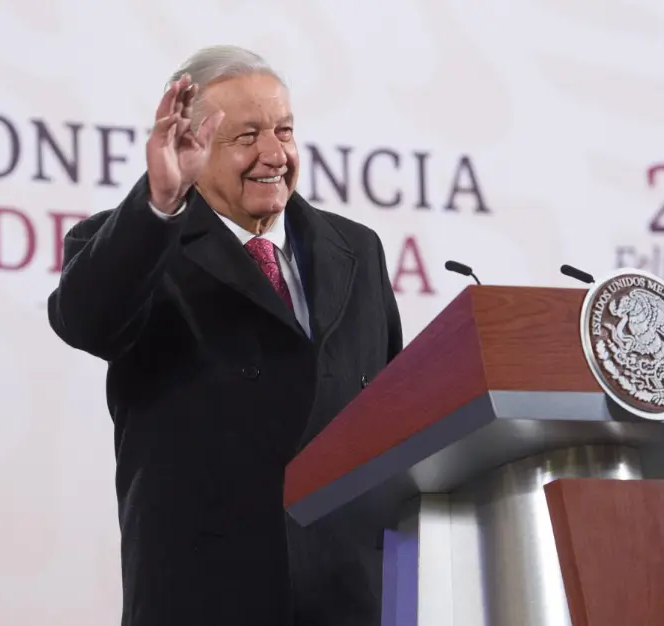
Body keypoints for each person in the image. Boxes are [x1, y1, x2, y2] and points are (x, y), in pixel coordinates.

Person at [47, 45, 403, 626]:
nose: (274, 153)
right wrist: (159, 204)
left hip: (349, 593)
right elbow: (85, 320)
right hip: (203, 592)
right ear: (191, 144)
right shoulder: (137, 245)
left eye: (284, 130)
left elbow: (395, 415)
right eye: (246, 136)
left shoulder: (356, 249)